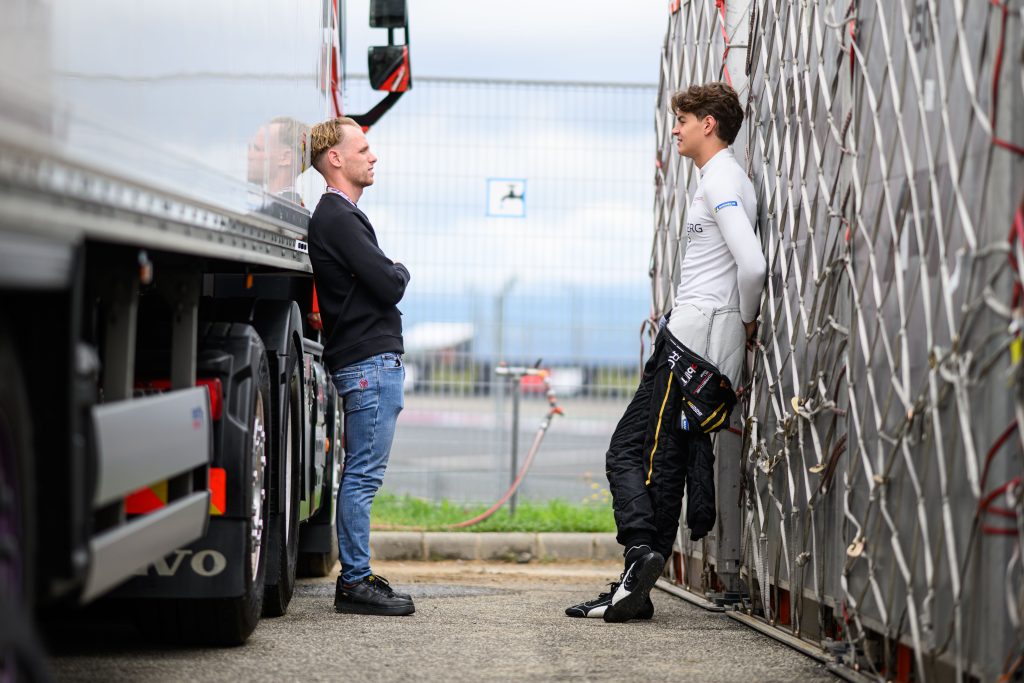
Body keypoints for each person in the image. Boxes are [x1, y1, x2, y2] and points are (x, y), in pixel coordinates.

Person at [565, 82, 766, 623]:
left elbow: (753, 266)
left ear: (709, 124)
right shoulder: (720, 178)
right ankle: (636, 590)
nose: (674, 129)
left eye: (682, 119)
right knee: (668, 464)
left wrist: (744, 323)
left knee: (626, 450)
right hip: (698, 337)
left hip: (693, 340)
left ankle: (638, 552)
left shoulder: (723, 178)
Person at [307, 116, 414, 616]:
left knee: (361, 473)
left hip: (368, 362)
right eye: (364, 149)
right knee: (363, 476)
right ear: (335, 158)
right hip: (369, 363)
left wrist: (390, 271)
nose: (373, 157)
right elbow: (390, 283)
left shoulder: (340, 216)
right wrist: (399, 270)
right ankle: (353, 582)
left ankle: (359, 575)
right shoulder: (338, 216)